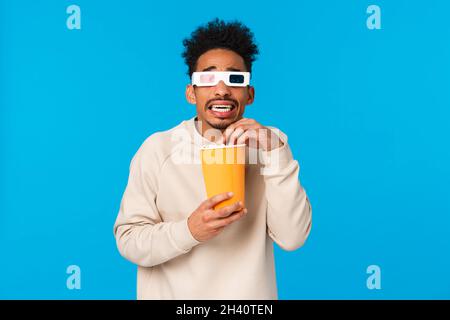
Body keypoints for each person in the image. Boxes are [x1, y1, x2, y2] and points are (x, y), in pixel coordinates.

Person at [113, 18, 312, 300]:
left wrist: (276, 154)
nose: (221, 90)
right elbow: (129, 241)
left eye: (235, 78)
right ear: (191, 93)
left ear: (249, 94)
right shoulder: (158, 149)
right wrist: (190, 231)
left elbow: (293, 238)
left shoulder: (271, 146)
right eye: (207, 79)